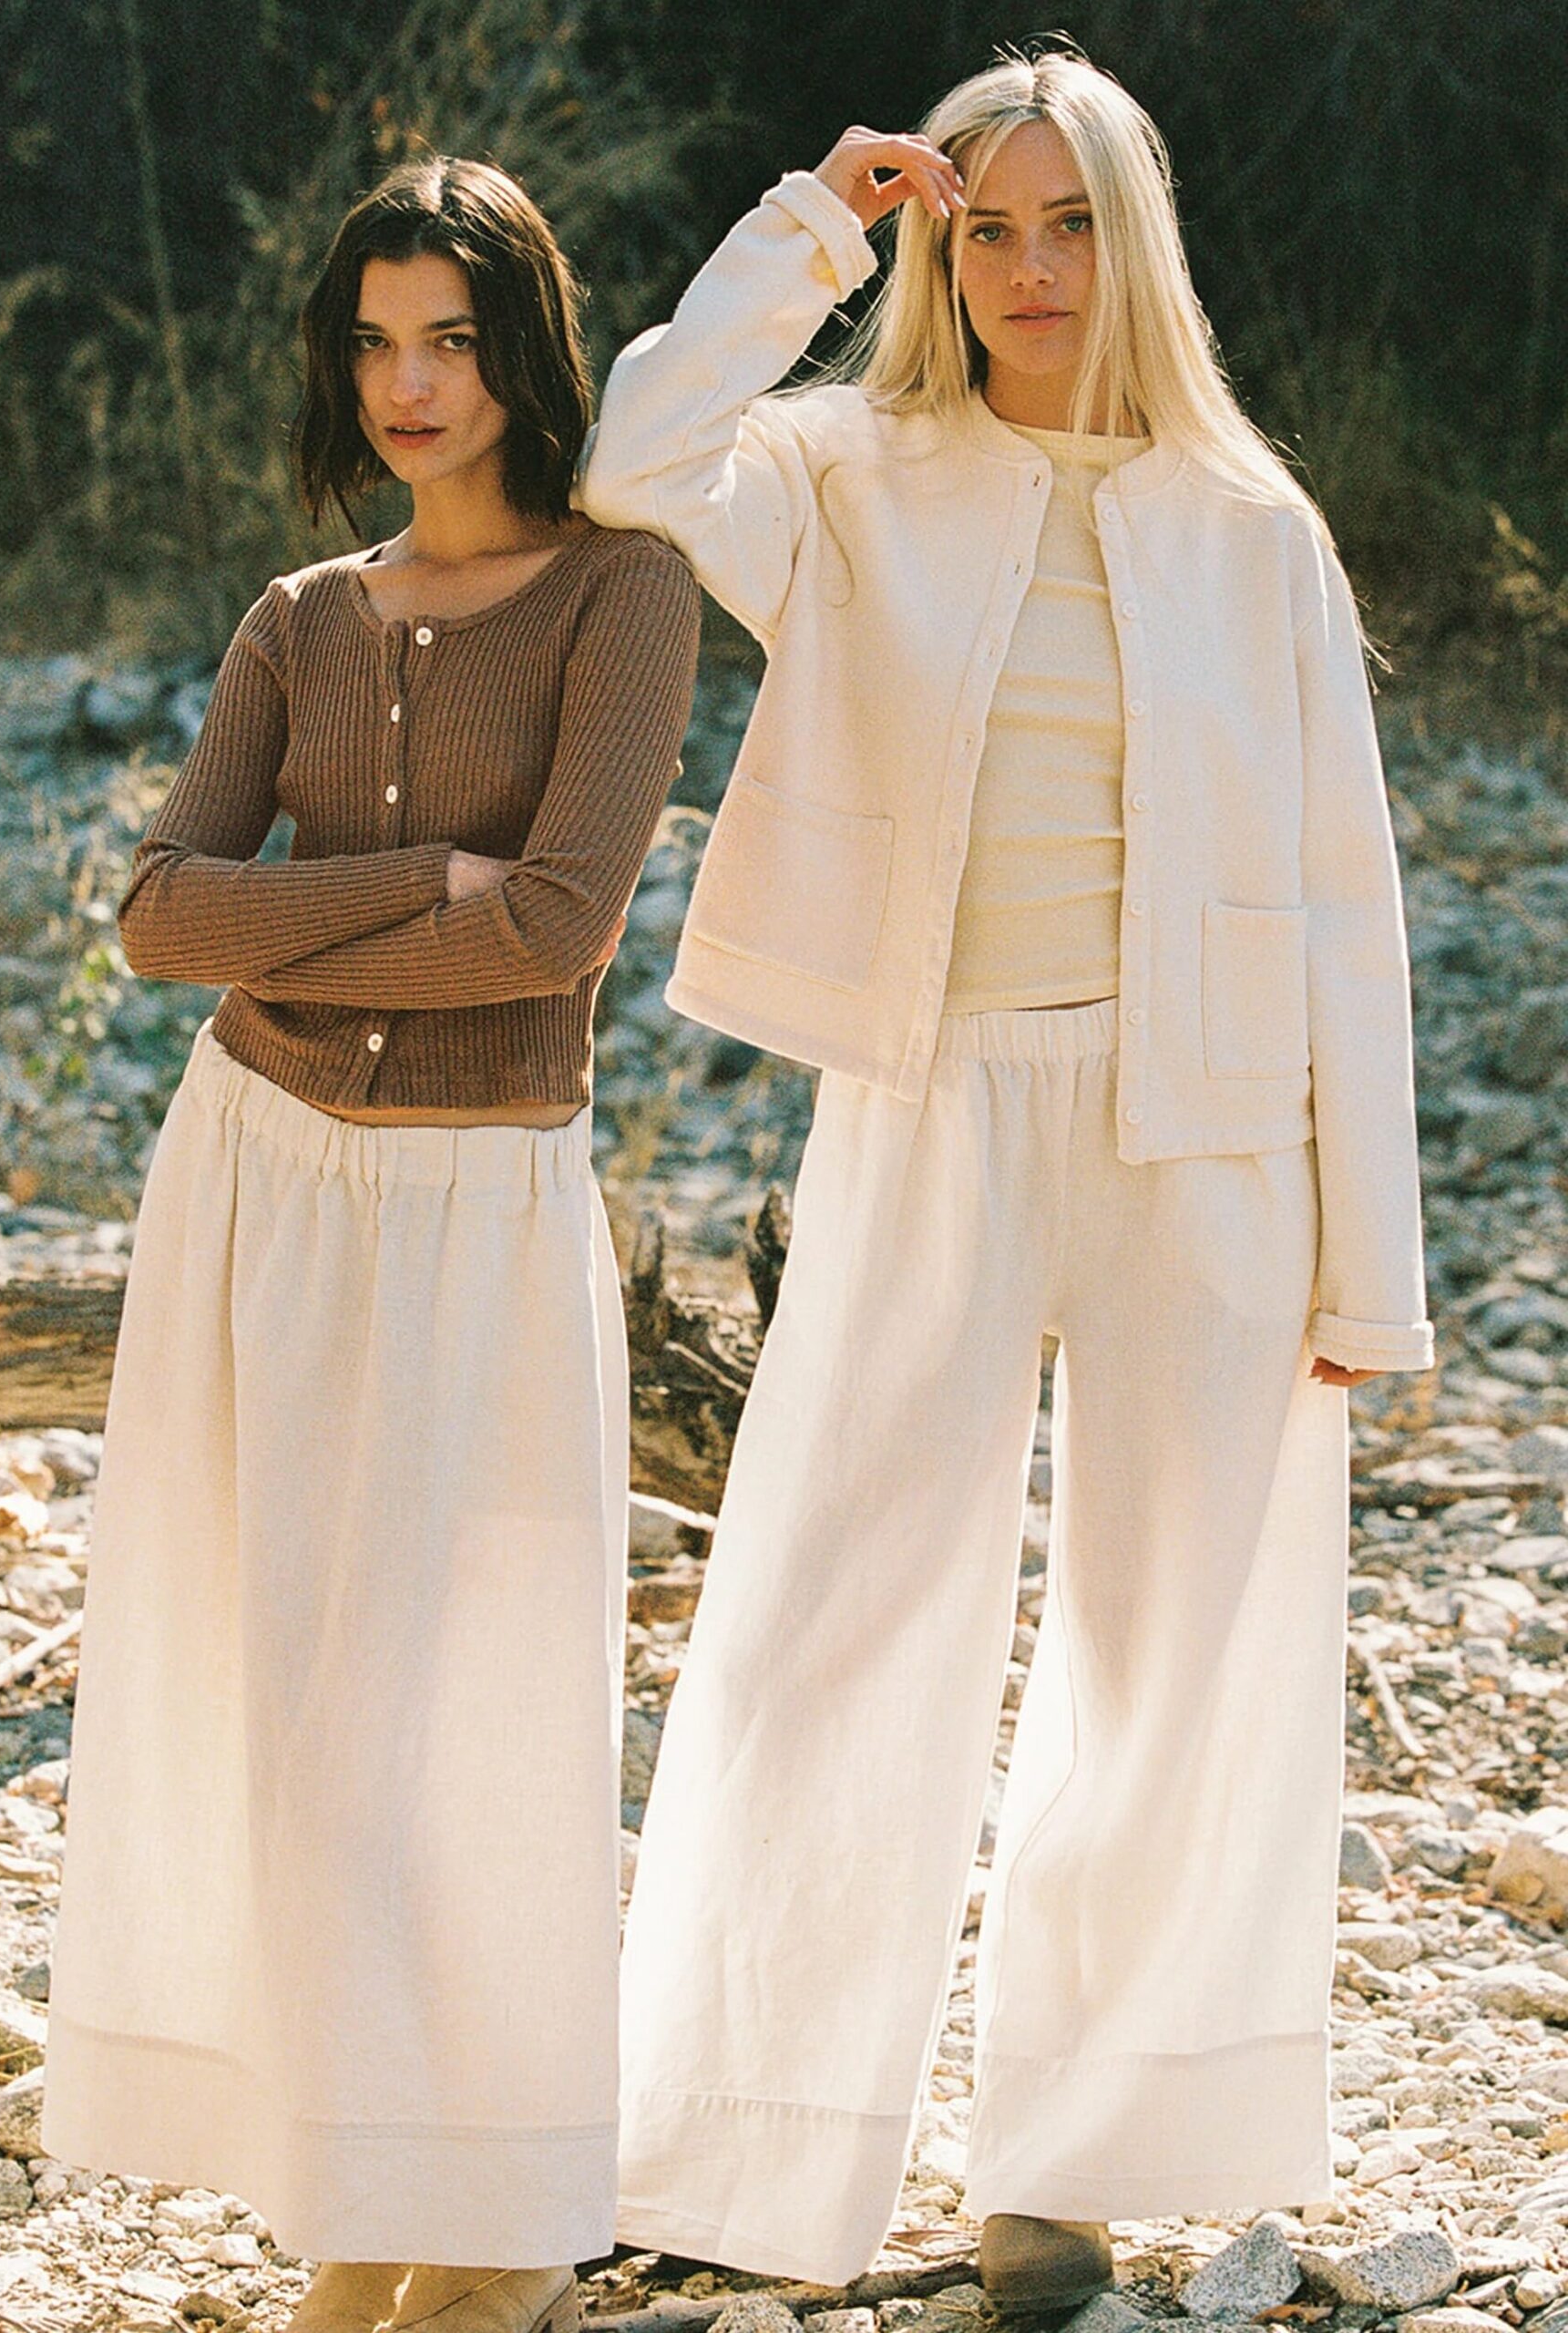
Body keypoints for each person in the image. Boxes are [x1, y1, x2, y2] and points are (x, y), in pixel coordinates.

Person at [579, 47, 1432, 2311]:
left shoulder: (1252, 525)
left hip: (1218, 1127)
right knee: (837, 1599)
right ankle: (735, 2139)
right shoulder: (855, 467)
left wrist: (1380, 1262)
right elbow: (630, 452)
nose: (1034, 269)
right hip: (936, 1092)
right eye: (993, 227)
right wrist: (813, 225)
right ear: (946, 248)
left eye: (1072, 224)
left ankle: (1072, 2159)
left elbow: (1350, 903)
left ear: (1132, 242)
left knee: (1180, 1652)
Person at [41, 155, 701, 2333]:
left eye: (453, 337)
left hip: (478, 1202)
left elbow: (568, 925)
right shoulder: (299, 617)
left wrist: (356, 912)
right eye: (375, 340)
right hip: (255, 1176)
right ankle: (356, 2194)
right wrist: (426, 884)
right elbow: (155, 917)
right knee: (296, 1693)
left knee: (473, 1700)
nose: (411, 384)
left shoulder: (627, 593)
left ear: (527, 349)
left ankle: (502, 2218)